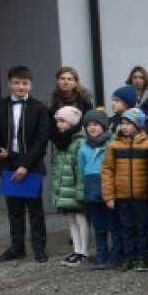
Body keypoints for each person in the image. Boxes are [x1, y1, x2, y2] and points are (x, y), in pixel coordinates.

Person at [0, 65, 50, 263]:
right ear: (9, 84)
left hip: (30, 163)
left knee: (35, 210)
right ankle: (17, 248)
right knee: (14, 211)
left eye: (24, 83)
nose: (20, 87)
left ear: (31, 85)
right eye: (16, 83)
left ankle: (39, 248)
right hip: (8, 162)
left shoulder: (39, 108)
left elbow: (41, 140)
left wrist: (25, 165)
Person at [101, 108, 148, 271]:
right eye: (122, 123)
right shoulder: (114, 145)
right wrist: (109, 195)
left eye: (128, 123)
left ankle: (142, 257)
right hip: (122, 195)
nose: (124, 127)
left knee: (142, 227)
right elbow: (108, 169)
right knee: (126, 227)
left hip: (141, 196)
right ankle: (129, 256)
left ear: (138, 125)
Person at [49, 106, 88, 265]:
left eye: (63, 121)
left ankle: (84, 251)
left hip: (75, 188)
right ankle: (76, 250)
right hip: (64, 188)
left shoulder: (79, 142)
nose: (59, 124)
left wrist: (80, 191)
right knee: (71, 219)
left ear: (72, 122)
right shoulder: (58, 142)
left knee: (81, 218)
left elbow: (80, 170)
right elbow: (56, 167)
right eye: (57, 121)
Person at [78, 109, 117, 269]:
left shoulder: (112, 143)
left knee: (113, 226)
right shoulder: (83, 146)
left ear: (104, 126)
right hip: (91, 190)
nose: (92, 128)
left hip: (108, 190)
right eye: (89, 125)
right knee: (98, 227)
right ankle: (102, 256)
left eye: (96, 124)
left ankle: (115, 256)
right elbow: (81, 170)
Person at [48, 66, 94, 136]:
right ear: (57, 81)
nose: (66, 82)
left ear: (75, 83)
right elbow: (49, 127)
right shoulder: (51, 103)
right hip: (59, 141)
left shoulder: (85, 101)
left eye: (69, 79)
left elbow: (88, 121)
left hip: (81, 139)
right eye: (62, 78)